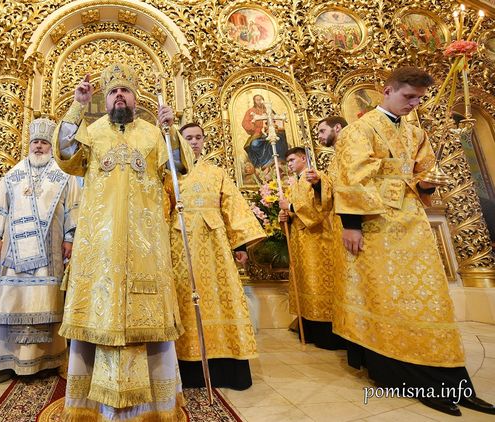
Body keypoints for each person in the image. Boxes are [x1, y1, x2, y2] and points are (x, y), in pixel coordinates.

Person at [333, 66, 495, 416]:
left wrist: (425, 183)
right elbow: (350, 177)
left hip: (412, 224)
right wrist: (351, 225)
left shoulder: (415, 131)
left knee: (428, 299)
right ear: (387, 90)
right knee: (390, 300)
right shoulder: (360, 129)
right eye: (408, 96)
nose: (413, 104)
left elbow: (422, 172)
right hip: (376, 225)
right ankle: (406, 374)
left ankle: (452, 379)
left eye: (419, 99)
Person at [54, 63, 194, 420]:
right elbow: (66, 154)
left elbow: (179, 168)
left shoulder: (153, 134)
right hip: (99, 249)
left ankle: (154, 408)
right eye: (114, 91)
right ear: (106, 99)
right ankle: (90, 407)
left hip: (145, 248)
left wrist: (171, 130)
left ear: (135, 98)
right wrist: (77, 106)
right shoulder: (92, 132)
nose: (119, 95)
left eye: (125, 91)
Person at [0, 118, 79, 383]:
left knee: (47, 302)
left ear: (51, 146)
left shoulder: (64, 175)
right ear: (29, 145)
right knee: (11, 301)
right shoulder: (14, 174)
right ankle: (7, 360)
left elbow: (74, 209)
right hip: (14, 255)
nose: (39, 147)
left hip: (50, 254)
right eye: (35, 142)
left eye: (44, 143)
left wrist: (69, 238)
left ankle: (47, 360)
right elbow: (0, 207)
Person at [169, 123, 265, 390]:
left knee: (222, 298)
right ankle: (188, 367)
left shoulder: (217, 172)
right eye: (188, 138)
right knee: (185, 303)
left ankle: (227, 366)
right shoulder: (170, 175)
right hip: (180, 246)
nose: (194, 142)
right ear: (179, 142)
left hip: (215, 248)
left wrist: (240, 245)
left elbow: (232, 206)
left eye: (198, 137)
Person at [277, 143, 345, 350]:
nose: (289, 165)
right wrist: (285, 217)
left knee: (318, 284)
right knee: (305, 283)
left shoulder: (315, 177)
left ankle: (325, 334)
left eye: (292, 160)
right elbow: (294, 213)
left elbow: (321, 208)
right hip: (301, 242)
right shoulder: (295, 183)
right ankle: (307, 327)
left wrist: (290, 206)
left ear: (303, 158)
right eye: (287, 162)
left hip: (318, 241)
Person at [241, 94, 288, 168]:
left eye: (260, 99)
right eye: (257, 100)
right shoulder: (251, 111)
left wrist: (274, 127)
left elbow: (277, 120)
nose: (259, 101)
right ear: (254, 101)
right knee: (254, 144)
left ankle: (279, 160)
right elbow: (245, 123)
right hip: (258, 134)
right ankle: (263, 163)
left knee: (280, 139)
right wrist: (254, 127)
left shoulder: (269, 110)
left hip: (271, 132)